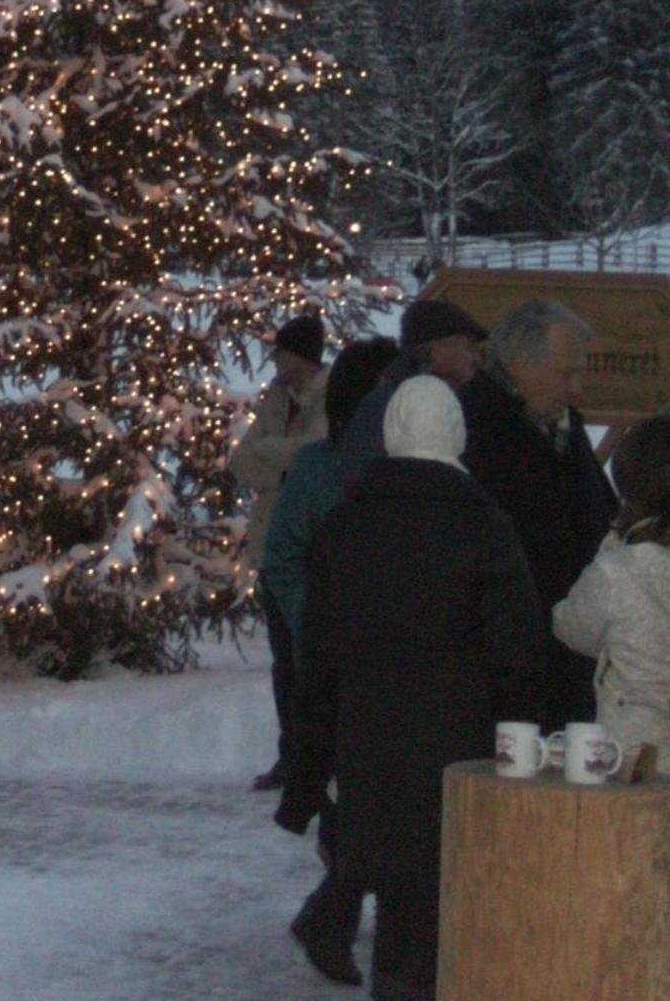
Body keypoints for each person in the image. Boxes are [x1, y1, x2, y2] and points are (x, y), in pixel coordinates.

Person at [280, 375, 545, 1000]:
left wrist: (307, 780)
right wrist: (524, 751)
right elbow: (518, 657)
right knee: (443, 926)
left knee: (398, 919)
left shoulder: (345, 530)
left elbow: (315, 666)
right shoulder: (485, 528)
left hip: (368, 754)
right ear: (456, 438)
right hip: (462, 758)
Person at [555, 416, 670, 1001]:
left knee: (654, 933)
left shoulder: (621, 566)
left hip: (638, 764)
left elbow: (571, 626)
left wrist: (612, 541)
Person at [263, 336, 397, 989]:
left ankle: (331, 912)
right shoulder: (321, 467)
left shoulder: (410, 464)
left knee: (380, 794)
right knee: (352, 790)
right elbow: (281, 558)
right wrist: (315, 623)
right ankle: (332, 917)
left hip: (396, 656)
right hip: (341, 658)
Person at [460, 298, 616, 730]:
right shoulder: (476, 431)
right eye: (567, 373)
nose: (577, 387)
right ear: (519, 364)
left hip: (566, 655)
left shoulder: (564, 428)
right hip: (504, 670)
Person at [231, 312, 328, 790]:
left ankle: (315, 759)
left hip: (309, 549)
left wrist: (278, 455)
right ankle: (291, 757)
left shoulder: (329, 396)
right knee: (284, 661)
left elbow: (314, 459)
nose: (274, 361)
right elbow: (242, 462)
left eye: (282, 352)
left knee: (309, 659)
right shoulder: (275, 399)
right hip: (272, 548)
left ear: (301, 356)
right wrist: (284, 458)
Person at [338, 296, 488, 487]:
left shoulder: (385, 400)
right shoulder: (388, 406)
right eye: (468, 346)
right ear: (434, 350)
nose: (476, 358)